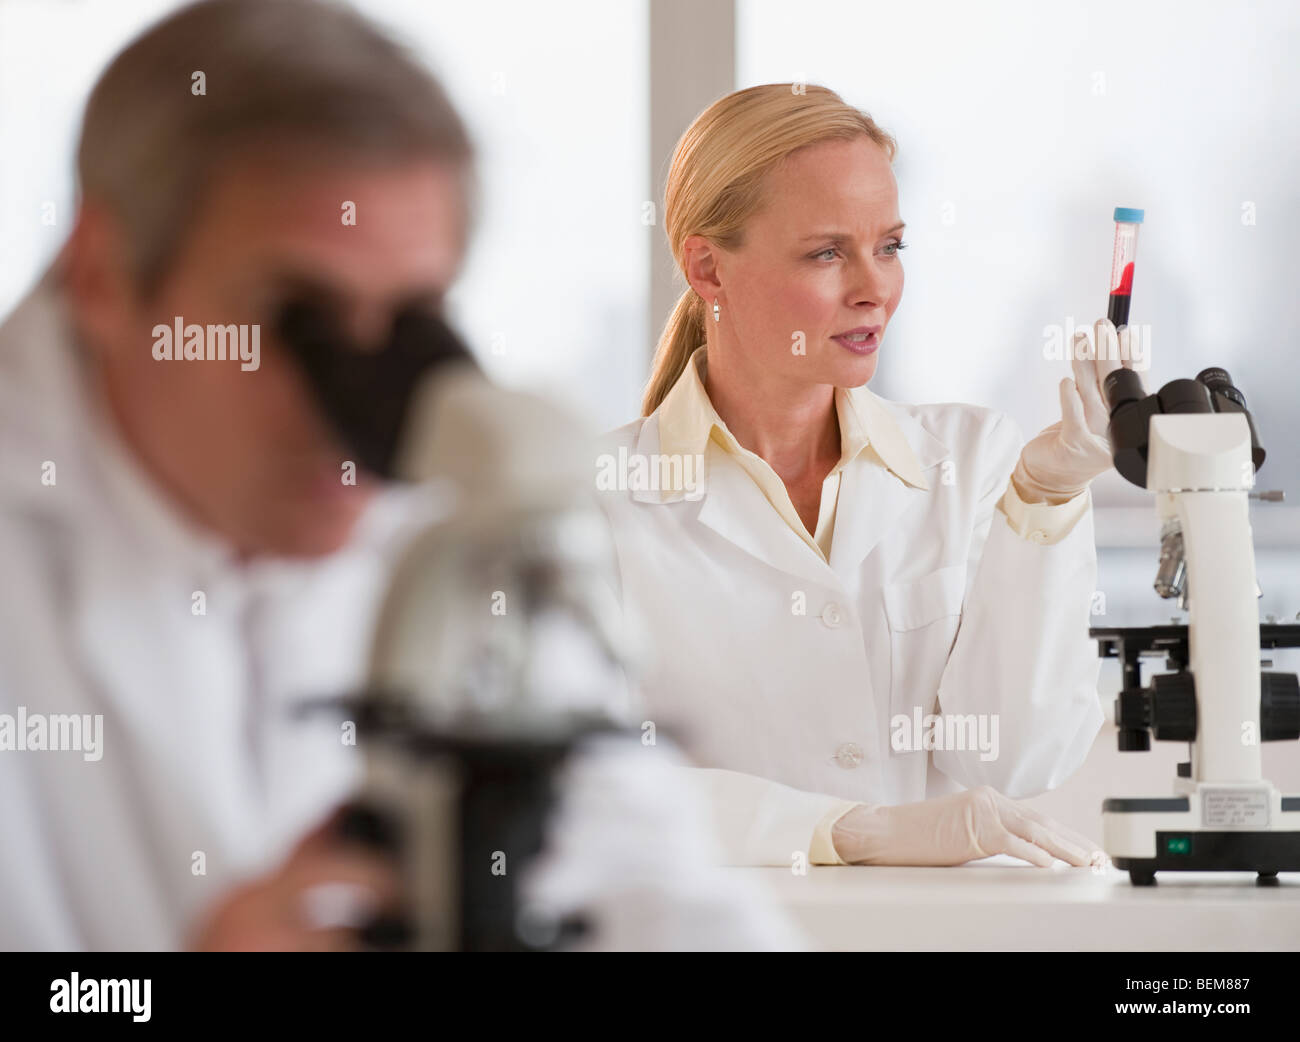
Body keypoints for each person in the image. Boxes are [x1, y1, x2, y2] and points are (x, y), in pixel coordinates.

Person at [0, 0, 799, 953]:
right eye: (299, 317)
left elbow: (661, 892)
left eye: (412, 318)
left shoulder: (453, 534)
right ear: (103, 277)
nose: (359, 405)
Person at [598, 84, 1138, 868]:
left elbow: (1019, 759)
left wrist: (1044, 506)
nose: (874, 287)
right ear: (707, 268)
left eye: (889, 246)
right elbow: (586, 789)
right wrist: (852, 829)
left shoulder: (973, 460)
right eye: (827, 252)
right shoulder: (600, 503)